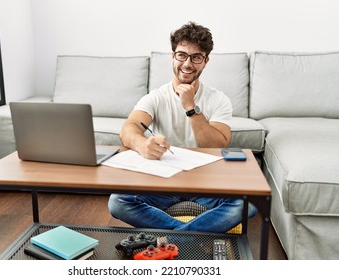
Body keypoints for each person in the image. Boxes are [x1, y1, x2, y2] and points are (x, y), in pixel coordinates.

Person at [108, 22, 257, 233]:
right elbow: (129, 128)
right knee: (118, 202)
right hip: (163, 183)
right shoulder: (156, 97)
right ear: (172, 56)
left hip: (207, 183)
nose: (187, 64)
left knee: (249, 204)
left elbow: (216, 144)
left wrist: (190, 106)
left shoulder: (218, 100)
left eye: (196, 57)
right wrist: (142, 145)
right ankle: (190, 237)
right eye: (181, 55)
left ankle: (177, 239)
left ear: (206, 61)